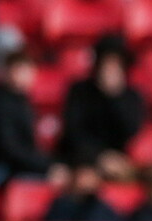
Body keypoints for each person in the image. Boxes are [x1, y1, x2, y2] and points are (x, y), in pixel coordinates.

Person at [0, 49, 71, 190]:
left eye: (28, 69)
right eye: (20, 69)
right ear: (7, 71)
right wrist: (47, 167)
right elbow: (10, 149)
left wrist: (51, 164)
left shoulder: (22, 101)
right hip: (0, 170)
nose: (26, 75)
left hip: (19, 166)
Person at [56, 34, 145, 182]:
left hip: (117, 162)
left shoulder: (132, 97)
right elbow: (73, 133)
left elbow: (131, 130)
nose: (110, 68)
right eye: (107, 62)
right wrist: (99, 157)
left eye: (116, 63)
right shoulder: (79, 91)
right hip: (81, 159)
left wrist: (115, 97)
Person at [44, 158, 122, 221]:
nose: (89, 181)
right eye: (85, 176)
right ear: (75, 178)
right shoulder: (61, 205)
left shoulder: (103, 208)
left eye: (93, 176)